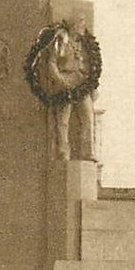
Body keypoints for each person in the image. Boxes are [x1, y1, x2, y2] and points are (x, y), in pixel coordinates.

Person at [40, 15, 97, 161]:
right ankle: (63, 151)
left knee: (88, 117)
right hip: (66, 81)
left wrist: (92, 87)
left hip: (82, 82)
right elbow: (52, 63)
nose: (83, 28)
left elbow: (91, 66)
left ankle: (88, 152)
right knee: (63, 119)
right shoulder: (62, 42)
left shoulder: (84, 45)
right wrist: (60, 80)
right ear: (74, 26)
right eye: (81, 25)